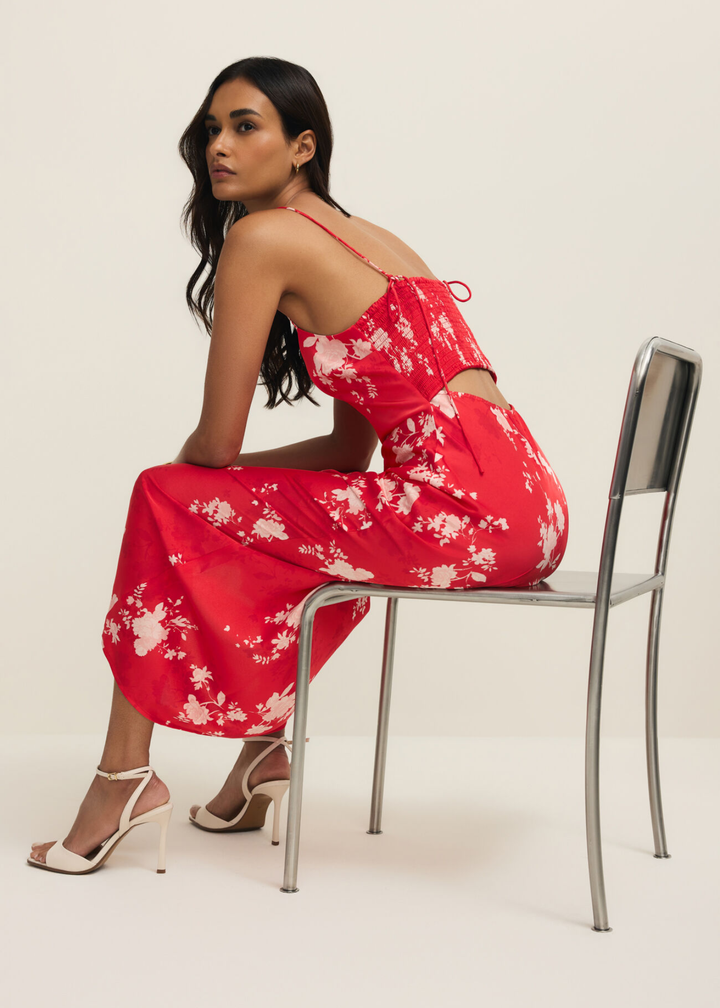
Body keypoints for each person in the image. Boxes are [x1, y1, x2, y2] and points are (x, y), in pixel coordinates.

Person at [28, 57, 568, 873]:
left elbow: (215, 444)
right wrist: (230, 494)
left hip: (463, 510)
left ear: (302, 146)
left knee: (161, 494)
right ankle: (262, 754)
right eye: (212, 129)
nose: (220, 147)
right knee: (283, 511)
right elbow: (349, 454)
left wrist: (196, 489)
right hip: (528, 507)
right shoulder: (372, 239)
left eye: (246, 127)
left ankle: (121, 777)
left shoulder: (264, 236)